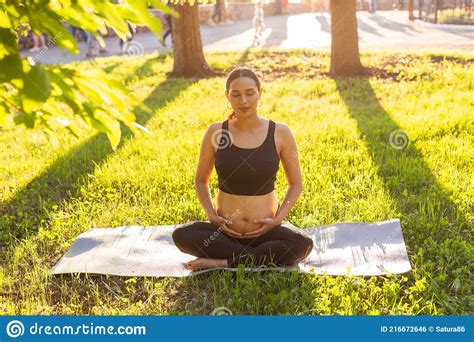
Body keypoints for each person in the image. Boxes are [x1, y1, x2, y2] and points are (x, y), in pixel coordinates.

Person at [172, 67, 313, 271]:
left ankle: (223, 263)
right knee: (182, 235)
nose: (243, 101)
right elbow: (201, 180)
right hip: (224, 234)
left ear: (260, 93)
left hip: (267, 233)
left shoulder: (280, 132)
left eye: (250, 93)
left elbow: (296, 184)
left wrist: (277, 221)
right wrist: (211, 216)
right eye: (236, 94)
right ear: (227, 96)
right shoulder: (216, 132)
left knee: (303, 244)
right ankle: (254, 259)